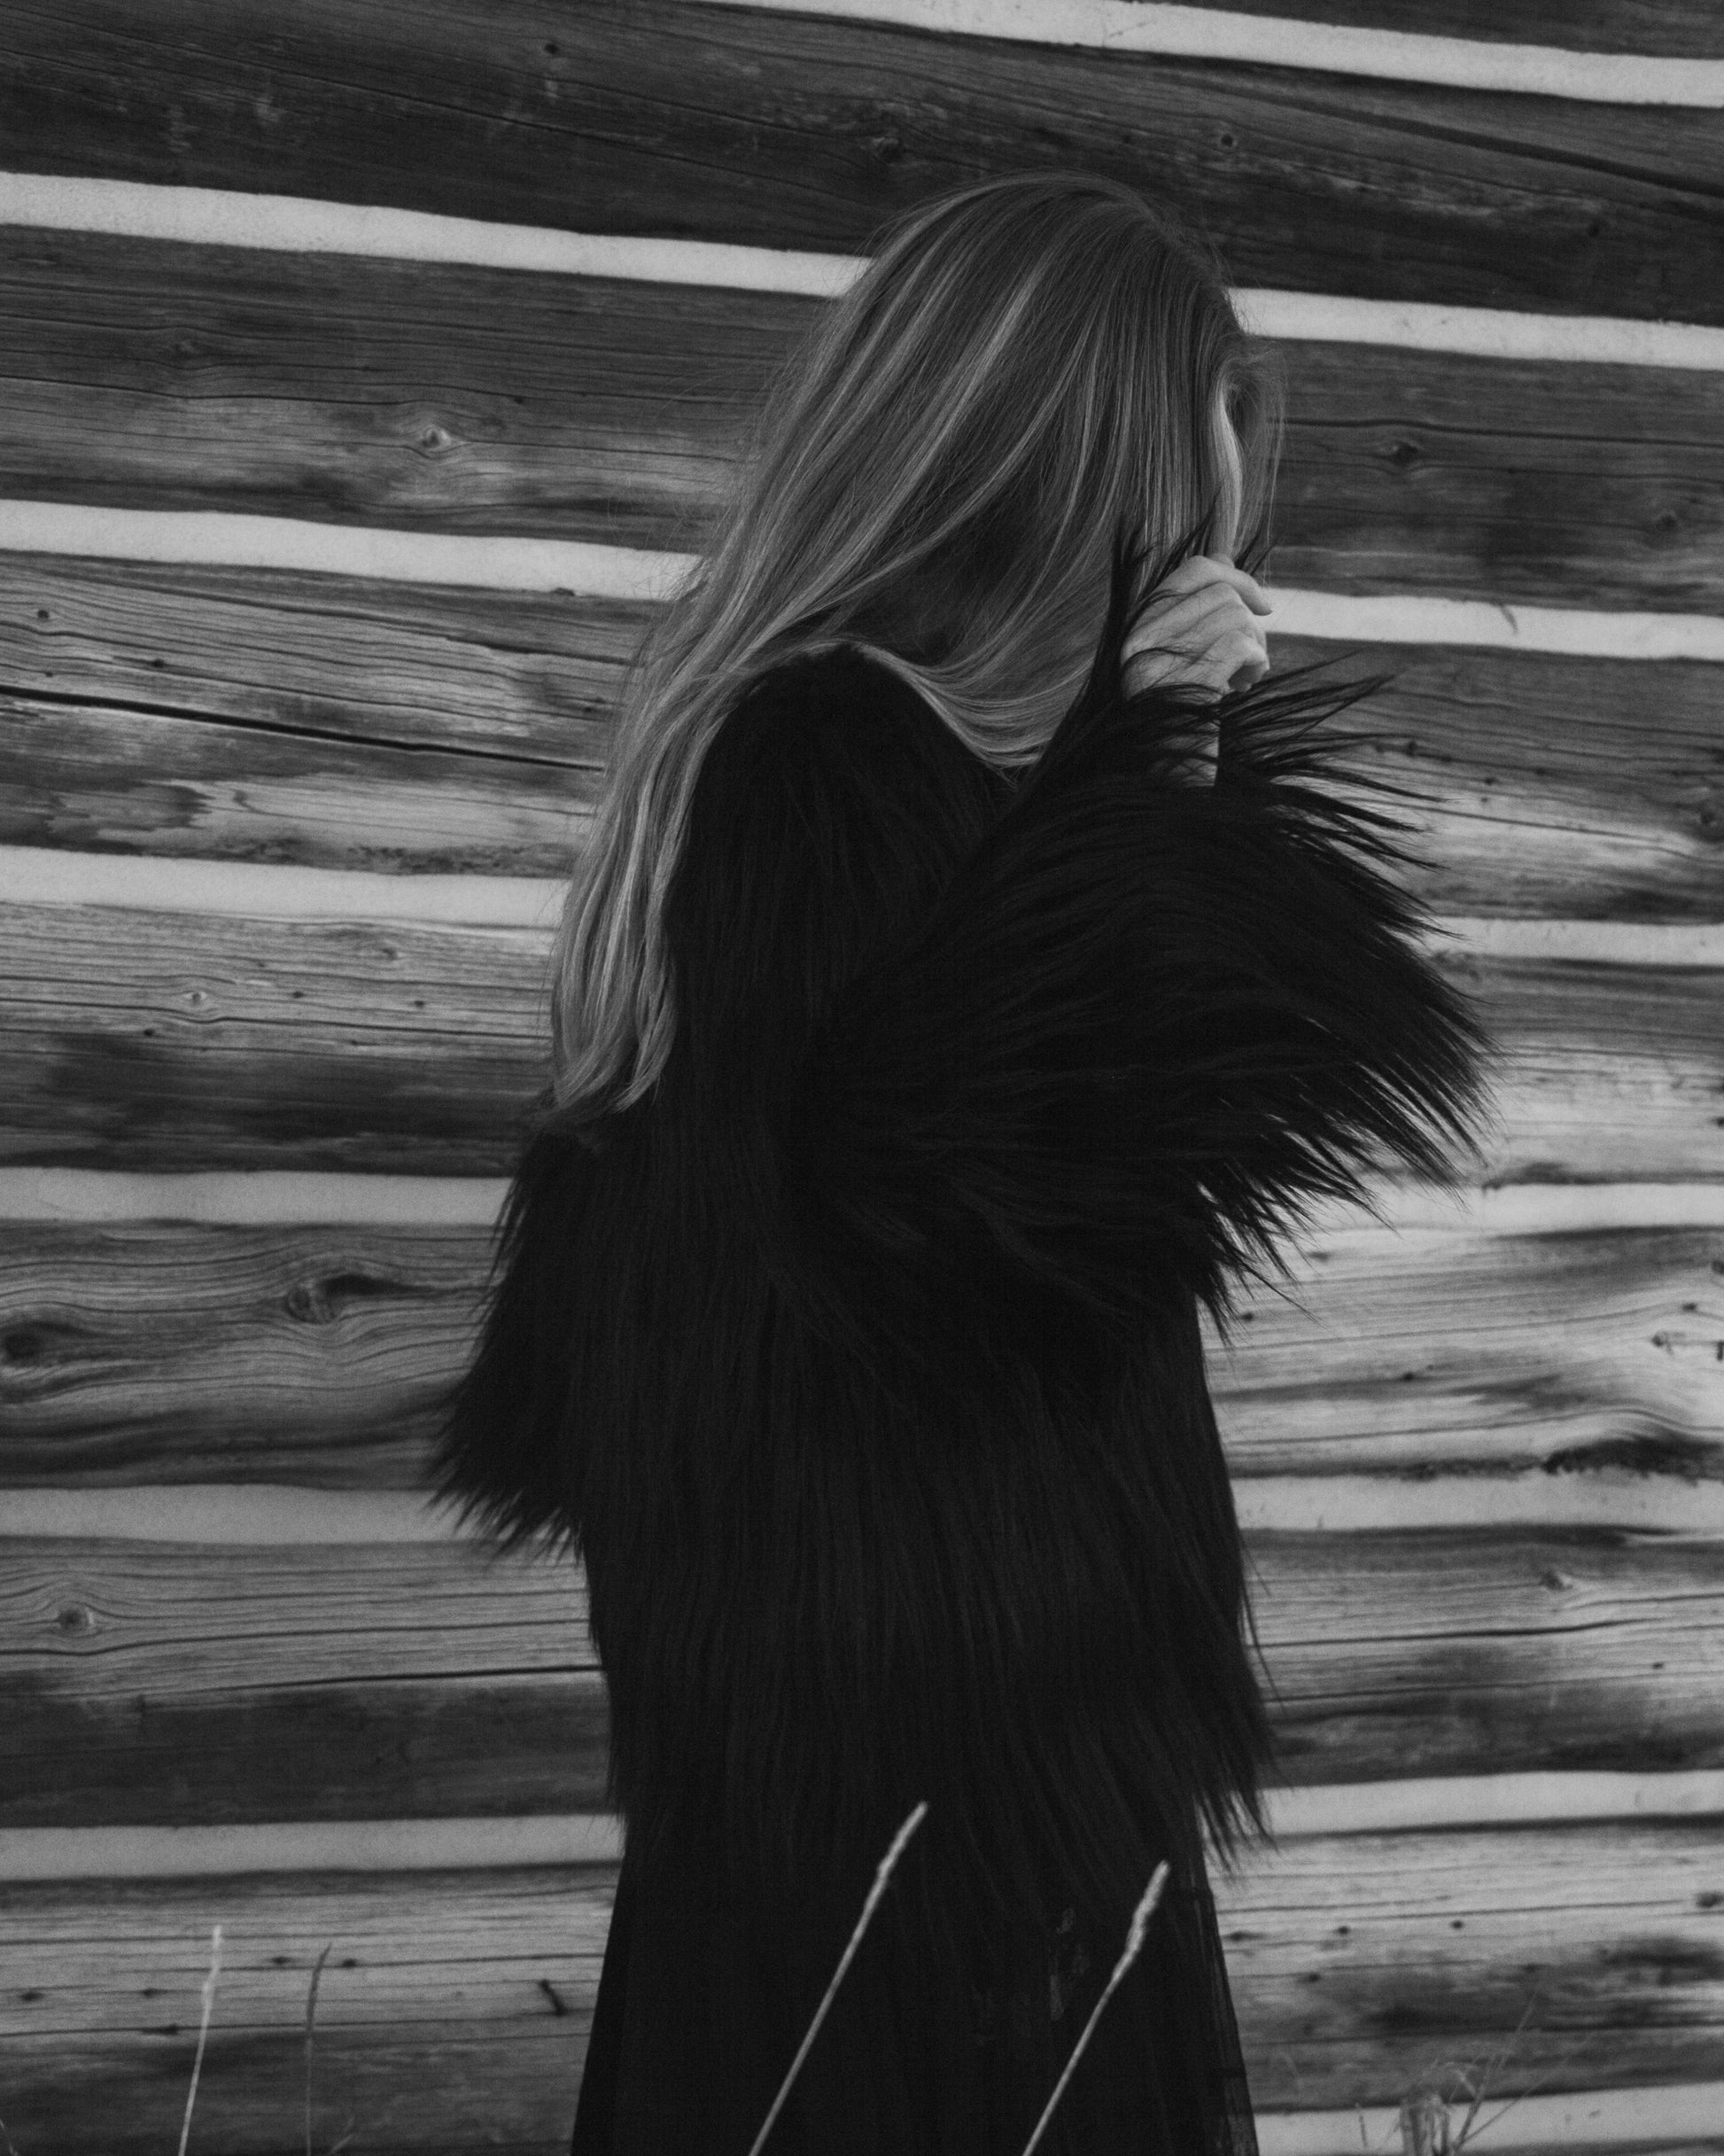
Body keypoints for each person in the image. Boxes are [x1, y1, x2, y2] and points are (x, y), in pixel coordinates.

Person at [432, 172, 1494, 2155]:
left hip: (941, 1773)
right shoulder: (827, 765)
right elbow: (967, 1184)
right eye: (1195, 466)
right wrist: (1156, 751)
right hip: (933, 1793)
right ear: (1069, 463)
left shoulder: (847, 765)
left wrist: (1147, 777)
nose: (1222, 529)